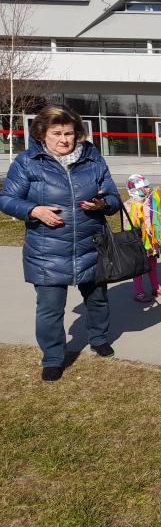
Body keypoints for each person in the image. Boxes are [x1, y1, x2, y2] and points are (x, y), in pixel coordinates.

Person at [0, 105, 121, 381]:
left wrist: (102, 203)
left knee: (98, 300)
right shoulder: (28, 161)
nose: (64, 140)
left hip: (92, 245)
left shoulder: (93, 158)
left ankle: (99, 338)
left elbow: (114, 198)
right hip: (47, 250)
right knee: (50, 309)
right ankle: (53, 357)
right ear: (42, 133)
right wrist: (34, 210)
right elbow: (6, 199)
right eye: (57, 133)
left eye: (69, 133)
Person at [125, 174, 161, 303]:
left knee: (152, 264)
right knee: (138, 267)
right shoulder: (128, 205)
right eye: (145, 187)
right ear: (135, 189)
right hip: (137, 242)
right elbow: (128, 225)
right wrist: (138, 208)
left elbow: (156, 221)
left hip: (151, 242)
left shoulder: (150, 202)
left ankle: (156, 287)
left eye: (148, 186)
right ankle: (139, 291)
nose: (148, 189)